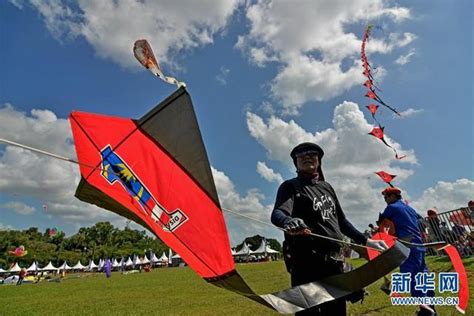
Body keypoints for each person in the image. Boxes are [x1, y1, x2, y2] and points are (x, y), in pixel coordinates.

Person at [271, 142, 388, 315]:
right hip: (306, 265)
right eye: (301, 155)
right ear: (295, 163)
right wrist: (288, 221)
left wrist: (366, 241)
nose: (307, 156)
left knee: (336, 311)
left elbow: (341, 221)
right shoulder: (290, 187)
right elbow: (278, 213)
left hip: (333, 264)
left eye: (312, 153)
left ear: (319, 161)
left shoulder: (327, 187)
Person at [378, 187, 436, 316]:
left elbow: (381, 225)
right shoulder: (410, 208)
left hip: (407, 247)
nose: (385, 199)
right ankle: (431, 309)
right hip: (419, 247)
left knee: (412, 280)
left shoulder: (392, 208)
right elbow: (423, 223)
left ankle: (426, 312)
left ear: (393, 196)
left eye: (386, 197)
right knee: (423, 278)